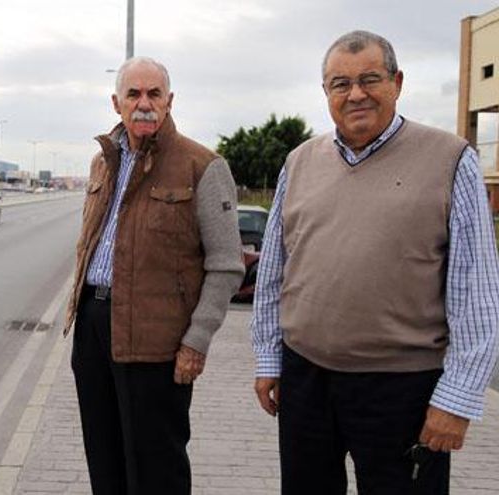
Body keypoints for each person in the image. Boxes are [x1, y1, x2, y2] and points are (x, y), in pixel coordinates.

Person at [251, 30, 499, 494]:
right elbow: (273, 274)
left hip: (402, 391)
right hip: (306, 380)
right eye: (340, 84)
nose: (356, 94)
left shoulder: (449, 160)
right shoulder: (300, 162)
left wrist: (457, 401)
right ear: (326, 92)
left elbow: (477, 292)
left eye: (370, 79)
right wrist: (270, 358)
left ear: (397, 82)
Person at [65, 56, 244, 494]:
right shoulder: (101, 162)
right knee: (104, 461)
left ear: (169, 101)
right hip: (93, 328)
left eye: (154, 94)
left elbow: (226, 264)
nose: (144, 103)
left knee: (156, 470)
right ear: (116, 103)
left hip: (158, 344)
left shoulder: (202, 166)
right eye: (133, 94)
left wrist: (196, 340)